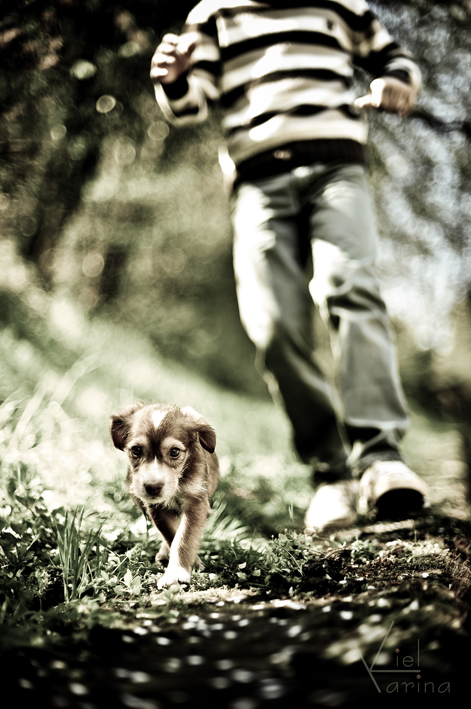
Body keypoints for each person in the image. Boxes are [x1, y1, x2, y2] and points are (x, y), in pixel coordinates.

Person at [150, 0, 429, 531]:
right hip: (258, 181)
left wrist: (397, 81)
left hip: (337, 170)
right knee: (272, 324)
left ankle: (380, 459)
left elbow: (395, 60)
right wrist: (174, 78)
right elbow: (189, 105)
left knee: (350, 285)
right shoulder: (214, 13)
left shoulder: (344, 4)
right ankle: (332, 473)